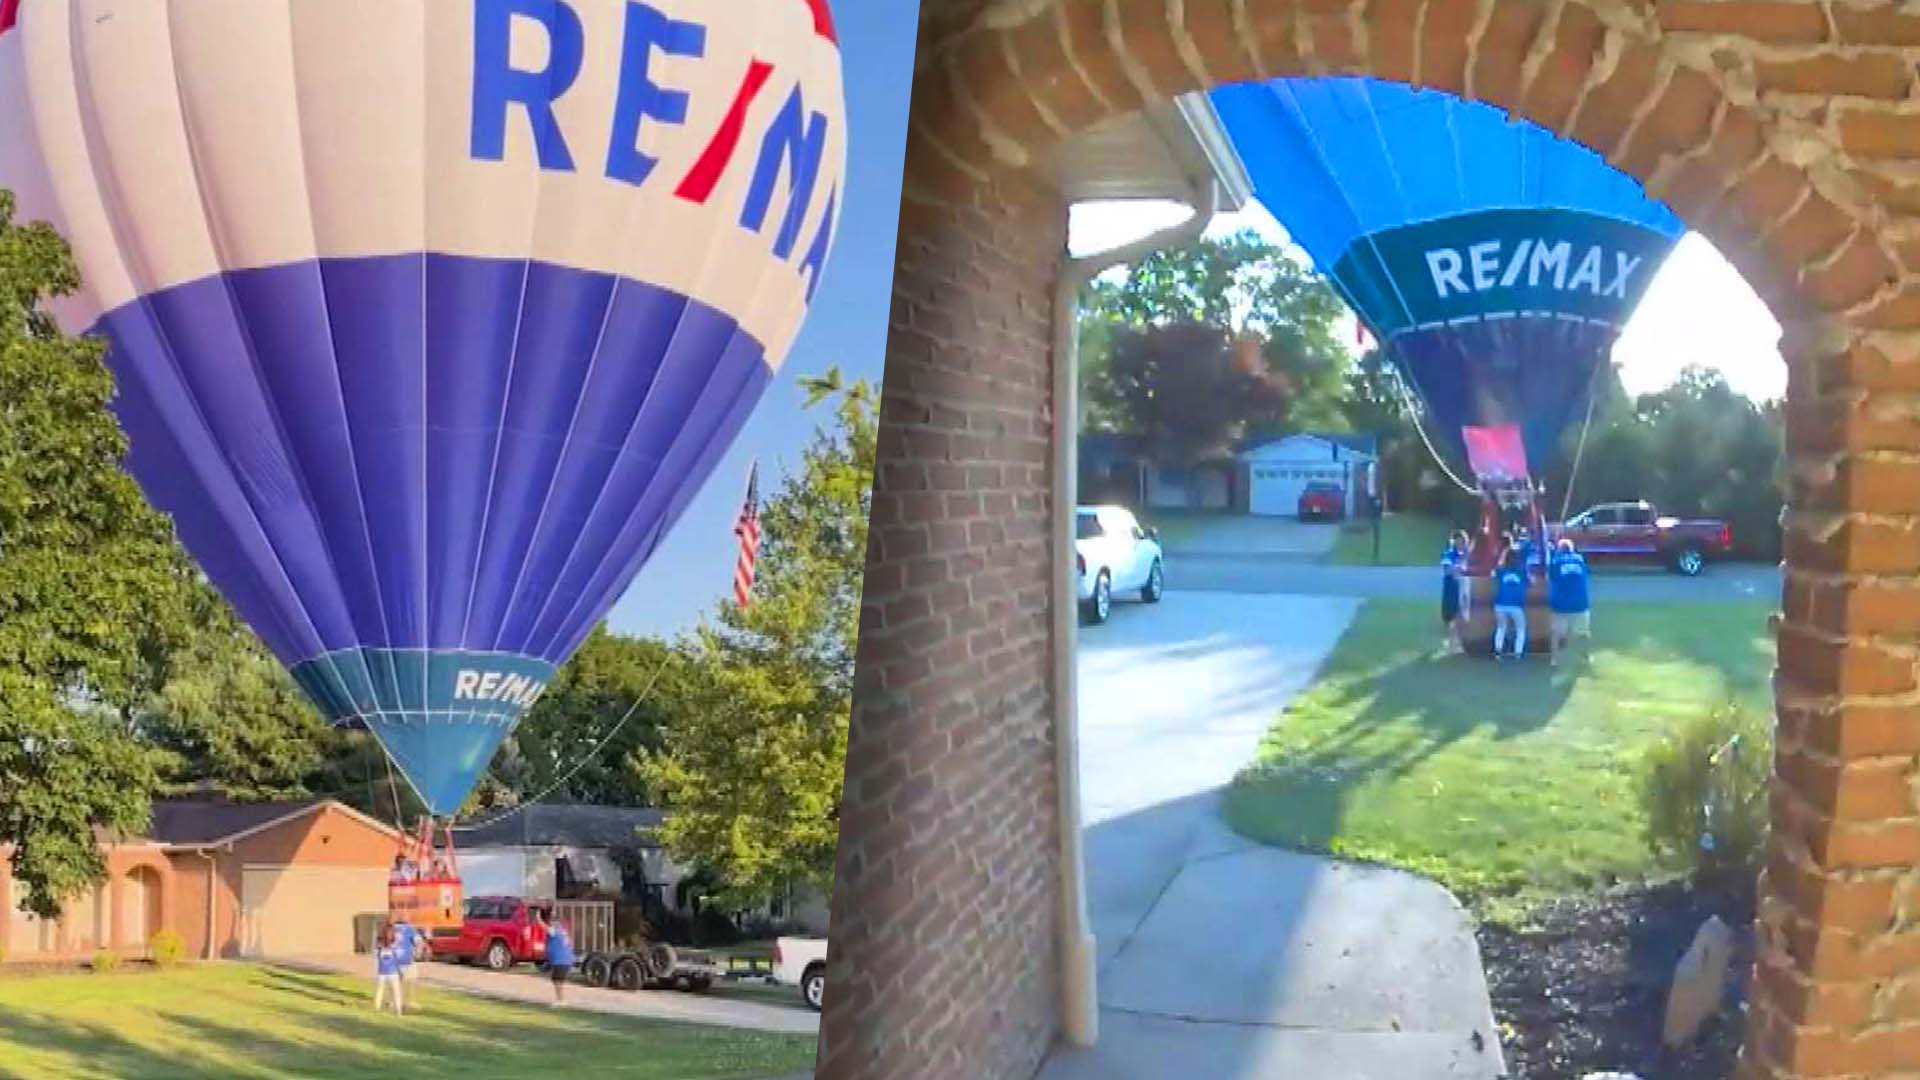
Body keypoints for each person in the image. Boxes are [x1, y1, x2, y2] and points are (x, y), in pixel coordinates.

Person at [1548, 538, 1592, 667]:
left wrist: (1554, 554)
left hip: (1560, 604)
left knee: (1556, 633)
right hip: (1580, 603)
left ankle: (1554, 659)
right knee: (1583, 633)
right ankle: (1586, 657)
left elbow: (1552, 577)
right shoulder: (1580, 560)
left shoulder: (1555, 561)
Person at [1492, 549, 1529, 660]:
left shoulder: (1500, 571)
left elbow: (1494, 578)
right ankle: (1518, 653)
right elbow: (1529, 583)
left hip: (1500, 603)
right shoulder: (1521, 571)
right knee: (1520, 629)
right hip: (1516, 605)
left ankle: (1498, 652)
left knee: (1501, 628)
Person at [1440, 531, 1471, 655]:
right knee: (1451, 616)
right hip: (1451, 589)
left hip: (1465, 588)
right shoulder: (1448, 554)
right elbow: (1447, 570)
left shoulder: (1469, 554)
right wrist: (1459, 568)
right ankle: (1452, 643)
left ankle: (1458, 642)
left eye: (1463, 541)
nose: (1460, 544)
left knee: (1462, 615)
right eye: (1458, 541)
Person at [539, 911, 575, 1006]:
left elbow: (544, 927)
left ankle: (560, 1000)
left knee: (557, 981)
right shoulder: (564, 932)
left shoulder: (555, 931)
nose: (551, 923)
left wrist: (538, 918)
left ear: (556, 923)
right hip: (566, 960)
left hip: (561, 961)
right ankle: (560, 999)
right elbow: (570, 944)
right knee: (557, 980)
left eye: (552, 922)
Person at [373, 924, 405, 1016]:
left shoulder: (379, 945)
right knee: (396, 992)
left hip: (382, 972)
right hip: (393, 972)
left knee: (379, 991)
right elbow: (399, 958)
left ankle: (376, 1009)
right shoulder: (395, 945)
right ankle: (398, 1011)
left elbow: (376, 956)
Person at [392, 915, 419, 996]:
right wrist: (417, 952)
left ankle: (393, 1001)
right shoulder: (410, 928)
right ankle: (409, 1001)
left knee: (395, 980)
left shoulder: (391, 928)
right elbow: (417, 942)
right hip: (407, 958)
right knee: (411, 980)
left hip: (393, 959)